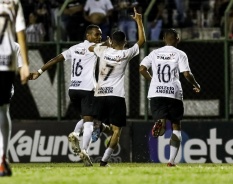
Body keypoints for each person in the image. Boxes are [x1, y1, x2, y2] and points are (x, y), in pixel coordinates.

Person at [29, 24, 103, 167]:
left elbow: (56, 59)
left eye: (100, 34)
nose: (99, 37)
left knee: (87, 117)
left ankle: (75, 133)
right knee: (89, 121)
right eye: (96, 34)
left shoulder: (74, 48)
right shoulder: (93, 48)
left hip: (73, 90)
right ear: (88, 36)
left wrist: (39, 71)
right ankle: (85, 150)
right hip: (87, 89)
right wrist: (109, 42)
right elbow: (108, 46)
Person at [90, 7, 145, 167]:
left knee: (106, 124)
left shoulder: (103, 50)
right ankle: (104, 161)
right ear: (125, 42)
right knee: (116, 131)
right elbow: (141, 42)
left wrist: (104, 43)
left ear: (111, 42)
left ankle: (99, 124)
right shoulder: (126, 54)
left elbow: (90, 48)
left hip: (100, 95)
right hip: (116, 96)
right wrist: (139, 22)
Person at [139, 28, 201, 167]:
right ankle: (171, 161)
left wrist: (153, 80)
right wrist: (196, 84)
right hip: (173, 93)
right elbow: (186, 74)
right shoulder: (180, 54)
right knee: (176, 126)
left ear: (163, 39)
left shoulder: (154, 53)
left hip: (156, 92)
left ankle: (160, 122)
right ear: (177, 39)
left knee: (161, 127)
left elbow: (142, 68)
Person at [0, 0, 30, 177]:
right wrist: (25, 63)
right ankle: (2, 158)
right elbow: (21, 32)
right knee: (2, 108)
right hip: (7, 57)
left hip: (6, 57)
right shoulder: (13, 2)